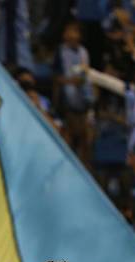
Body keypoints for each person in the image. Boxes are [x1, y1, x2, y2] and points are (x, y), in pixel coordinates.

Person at [53, 21, 94, 165]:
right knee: (69, 135)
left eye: (74, 31)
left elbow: (89, 76)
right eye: (68, 31)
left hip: (85, 99)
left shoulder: (84, 52)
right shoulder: (60, 52)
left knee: (86, 138)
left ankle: (86, 170)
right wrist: (70, 82)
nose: (70, 35)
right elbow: (56, 78)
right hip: (68, 101)